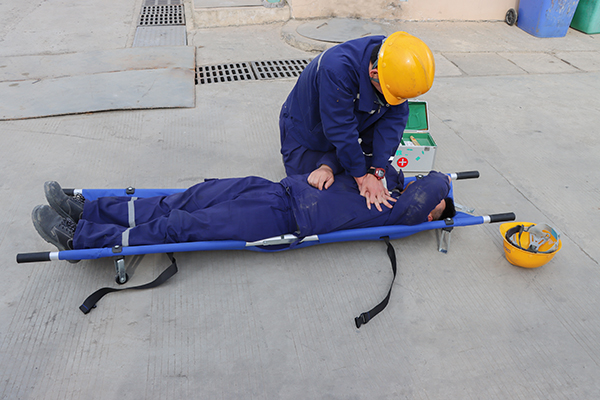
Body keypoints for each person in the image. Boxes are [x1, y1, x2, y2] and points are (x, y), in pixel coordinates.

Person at [31, 169, 455, 252]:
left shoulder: (400, 211)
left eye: (435, 205)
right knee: (188, 198)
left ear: (429, 215)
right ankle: (90, 211)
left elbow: (434, 185)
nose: (424, 192)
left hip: (281, 219)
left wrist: (443, 188)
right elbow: (344, 157)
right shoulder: (385, 180)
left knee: (182, 224)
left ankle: (80, 239)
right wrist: (335, 167)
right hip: (274, 188)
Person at [279, 31, 435, 211]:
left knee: (371, 172)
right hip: (308, 128)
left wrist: (376, 172)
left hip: (352, 119)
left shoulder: (394, 65)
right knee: (307, 192)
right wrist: (361, 178)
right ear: (374, 73)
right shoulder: (336, 70)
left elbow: (393, 124)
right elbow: (341, 130)